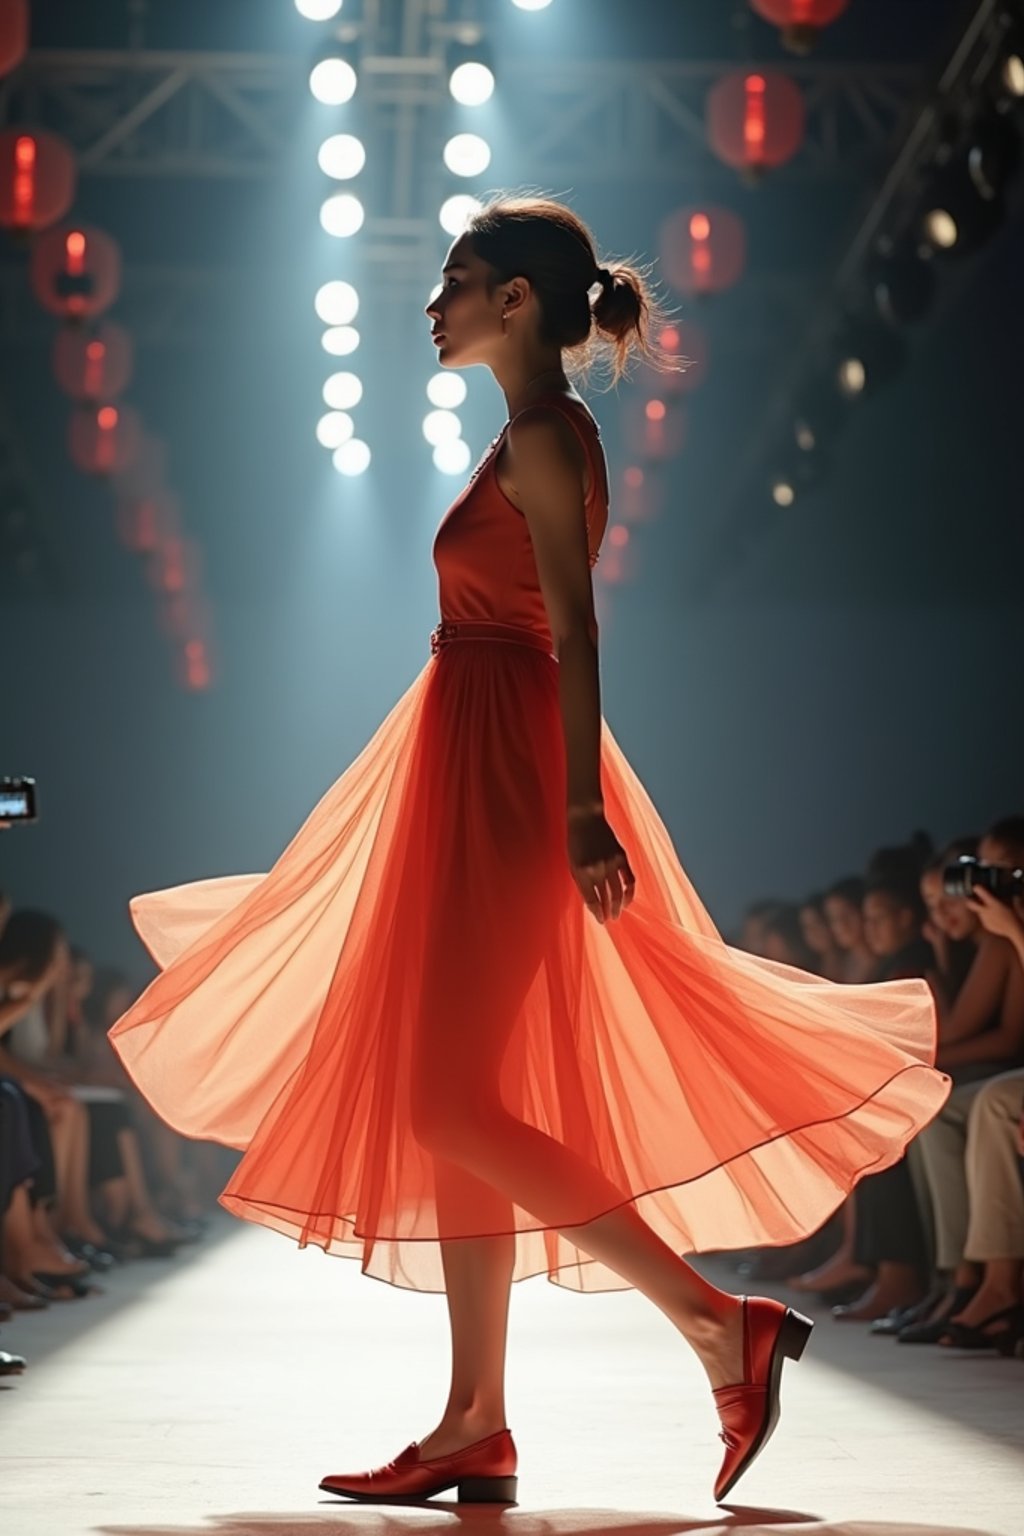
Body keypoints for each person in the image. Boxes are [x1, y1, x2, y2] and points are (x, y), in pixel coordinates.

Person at [105, 194, 951, 1506]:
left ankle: (717, 1329)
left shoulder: (549, 437)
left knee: (446, 1099)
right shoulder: (526, 435)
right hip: (469, 758)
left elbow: (577, 630)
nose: (429, 302)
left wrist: (575, 810)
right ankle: (473, 1421)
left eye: (454, 278)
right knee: (452, 1108)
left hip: (504, 777)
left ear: (514, 303)